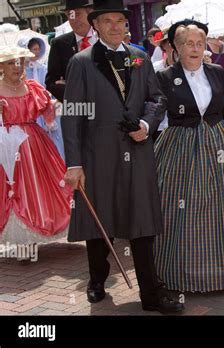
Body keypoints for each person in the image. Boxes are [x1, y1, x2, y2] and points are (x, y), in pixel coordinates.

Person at [61, 0, 184, 312]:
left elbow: (156, 98)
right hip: (97, 154)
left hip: (138, 150)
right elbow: (71, 115)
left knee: (141, 221)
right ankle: (97, 280)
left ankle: (150, 294)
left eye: (121, 21)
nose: (116, 27)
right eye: (108, 21)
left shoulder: (140, 58)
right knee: (100, 220)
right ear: (96, 25)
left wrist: (146, 123)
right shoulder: (81, 62)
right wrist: (74, 163)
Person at [154, 20, 224, 292]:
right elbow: (160, 113)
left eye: (200, 43)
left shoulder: (215, 71)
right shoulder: (164, 77)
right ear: (176, 48)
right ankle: (184, 273)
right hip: (180, 146)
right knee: (182, 206)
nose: (195, 49)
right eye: (189, 43)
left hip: (217, 140)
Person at [0, 46, 72, 261]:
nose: (17, 66)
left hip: (34, 145)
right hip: (6, 147)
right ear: (1, 66)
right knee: (12, 189)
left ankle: (33, 234)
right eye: (12, 62)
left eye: (20, 61)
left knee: (37, 188)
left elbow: (49, 117)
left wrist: (57, 105)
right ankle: (20, 243)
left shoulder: (32, 87)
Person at [46, 0, 96, 103]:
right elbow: (51, 83)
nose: (74, 20)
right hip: (76, 110)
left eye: (78, 14)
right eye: (70, 15)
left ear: (90, 14)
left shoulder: (104, 39)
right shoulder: (59, 44)